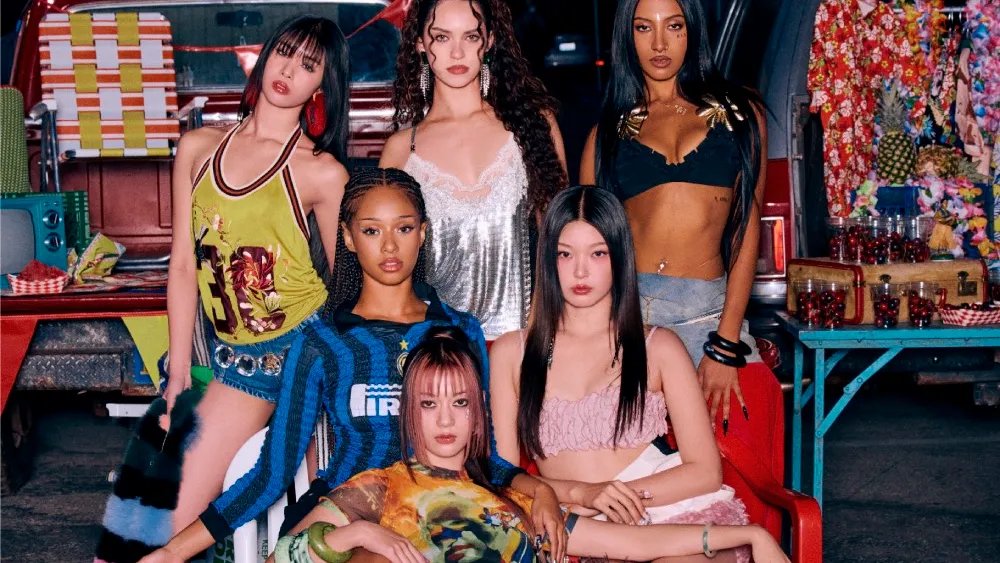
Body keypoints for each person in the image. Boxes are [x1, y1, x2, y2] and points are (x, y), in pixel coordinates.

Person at [139, 168, 565, 562]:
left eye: (404, 228)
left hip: (443, 516)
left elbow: (484, 457)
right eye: (371, 230)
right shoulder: (323, 342)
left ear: (423, 233)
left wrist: (539, 490)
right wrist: (174, 552)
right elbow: (271, 474)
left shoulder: (459, 331)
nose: (389, 246)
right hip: (350, 520)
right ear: (347, 236)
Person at [96, 15, 350, 562]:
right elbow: (183, 266)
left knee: (165, 521)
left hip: (290, 353)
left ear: (321, 87)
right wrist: (178, 373)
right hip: (225, 355)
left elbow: (346, 289)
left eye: (309, 65)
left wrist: (333, 381)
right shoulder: (197, 146)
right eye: (284, 52)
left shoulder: (322, 172)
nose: (289, 70)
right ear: (265, 55)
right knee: (142, 502)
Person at [275, 326, 789, 563]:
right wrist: (362, 535)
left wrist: (749, 535)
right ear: (409, 411)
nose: (445, 420)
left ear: (479, 412)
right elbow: (281, 557)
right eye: (429, 404)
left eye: (460, 402)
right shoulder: (382, 487)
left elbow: (631, 544)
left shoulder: (516, 496)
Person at [492, 186, 752, 563]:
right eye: (565, 254)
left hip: (671, 511)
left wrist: (614, 498)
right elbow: (504, 477)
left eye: (598, 253)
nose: (580, 270)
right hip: (580, 526)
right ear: (547, 259)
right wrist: (584, 494)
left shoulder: (658, 347)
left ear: (619, 257)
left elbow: (705, 471)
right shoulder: (512, 353)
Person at [580, 0, 768, 432]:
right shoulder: (605, 137)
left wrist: (725, 344)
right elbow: (589, 254)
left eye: (674, 26)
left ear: (693, 30)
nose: (660, 43)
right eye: (644, 28)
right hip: (634, 323)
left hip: (711, 315)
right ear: (627, 36)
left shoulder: (741, 116)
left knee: (744, 437)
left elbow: (745, 230)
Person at [379, 0, 568, 340]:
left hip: (523, 342)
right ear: (420, 43)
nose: (457, 52)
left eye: (470, 36)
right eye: (441, 37)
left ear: (490, 41)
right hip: (436, 349)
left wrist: (538, 335)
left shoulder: (533, 127)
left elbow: (560, 239)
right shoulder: (402, 149)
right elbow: (385, 261)